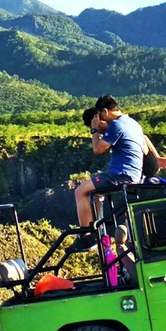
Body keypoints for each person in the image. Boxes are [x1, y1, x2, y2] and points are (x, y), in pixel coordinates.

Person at [68, 95, 144, 252]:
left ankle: (86, 236)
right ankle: (95, 230)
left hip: (121, 174)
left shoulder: (117, 125)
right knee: (95, 194)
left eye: (99, 115)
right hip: (133, 173)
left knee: (80, 191)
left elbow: (97, 150)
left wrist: (94, 129)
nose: (99, 119)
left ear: (105, 111)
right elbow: (145, 149)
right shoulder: (133, 123)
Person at [81, 107, 166, 179]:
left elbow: (97, 149)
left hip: (138, 170)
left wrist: (94, 129)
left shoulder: (114, 128)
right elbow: (144, 137)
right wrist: (156, 158)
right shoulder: (124, 123)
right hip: (146, 165)